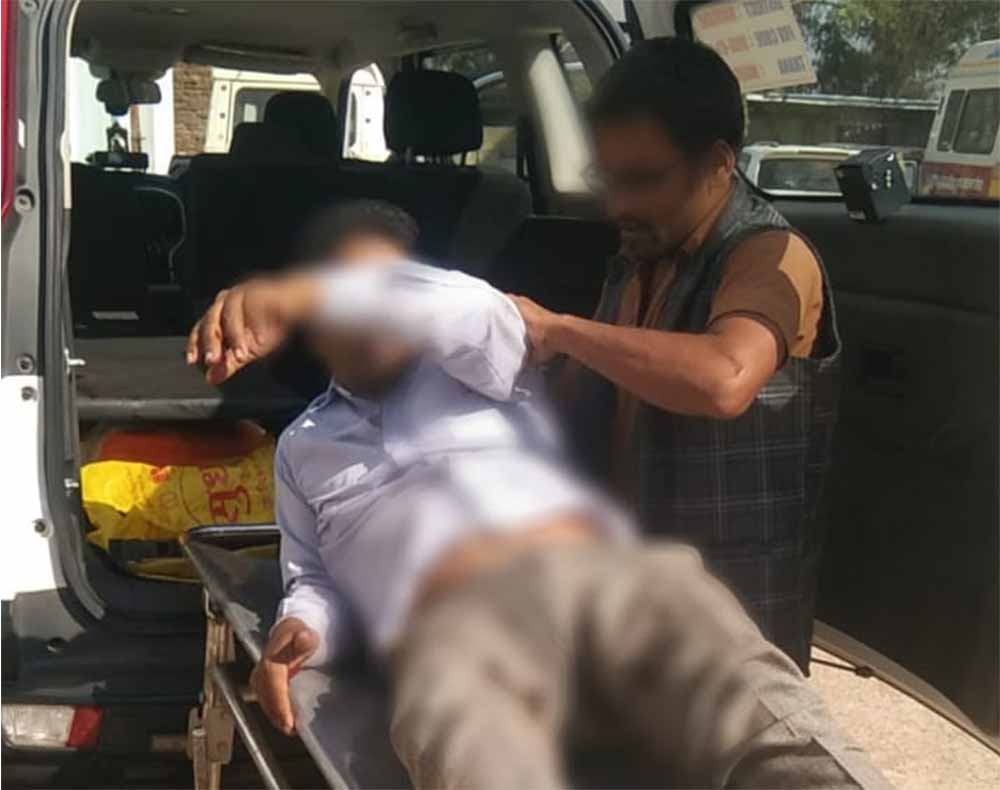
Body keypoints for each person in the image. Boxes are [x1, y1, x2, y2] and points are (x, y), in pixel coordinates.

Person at [186, 200, 886, 790]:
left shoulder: (489, 366)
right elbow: (314, 578)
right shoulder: (303, 447)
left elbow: (474, 310)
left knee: (767, 723)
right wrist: (302, 630)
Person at [509, 38, 840, 672]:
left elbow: (725, 378)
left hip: (729, 624)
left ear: (718, 164)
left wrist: (563, 330)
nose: (618, 205)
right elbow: (580, 395)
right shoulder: (640, 259)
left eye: (641, 180)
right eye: (607, 179)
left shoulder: (769, 256)